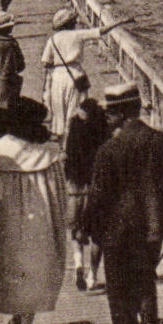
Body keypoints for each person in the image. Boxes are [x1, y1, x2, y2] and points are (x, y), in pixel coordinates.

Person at [78, 83, 163, 324]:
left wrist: (86, 227)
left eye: (111, 113)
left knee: (118, 288)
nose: (106, 117)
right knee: (145, 276)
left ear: (124, 115)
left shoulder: (108, 151)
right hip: (152, 229)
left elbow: (99, 196)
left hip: (117, 230)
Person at [0, 98, 69, 324]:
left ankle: (16, 313)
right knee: (36, 268)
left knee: (11, 268)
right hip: (40, 221)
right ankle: (26, 323)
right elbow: (59, 193)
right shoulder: (47, 154)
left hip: (6, 221)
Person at [40, 8, 124, 138]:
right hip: (76, 73)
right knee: (76, 106)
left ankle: (61, 137)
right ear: (71, 23)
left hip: (58, 74)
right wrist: (118, 22)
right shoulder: (78, 35)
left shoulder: (52, 39)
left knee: (59, 108)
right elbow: (100, 31)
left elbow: (45, 62)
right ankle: (72, 133)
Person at [63, 84, 111, 290]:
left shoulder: (74, 129)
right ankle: (93, 275)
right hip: (96, 189)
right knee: (97, 234)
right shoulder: (102, 132)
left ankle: (78, 265)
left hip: (75, 188)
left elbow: (67, 157)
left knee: (76, 231)